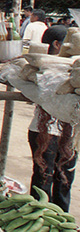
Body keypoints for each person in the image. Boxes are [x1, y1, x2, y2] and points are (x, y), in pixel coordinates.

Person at [28, 25, 76, 211]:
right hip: (45, 131)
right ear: (57, 44)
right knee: (43, 181)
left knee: (65, 182)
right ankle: (36, 222)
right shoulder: (45, 70)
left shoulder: (74, 69)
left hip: (70, 133)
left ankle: (60, 223)